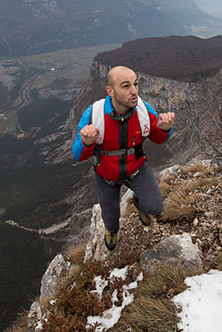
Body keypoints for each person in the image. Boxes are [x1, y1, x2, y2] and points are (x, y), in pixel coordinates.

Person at [72, 65, 175, 250]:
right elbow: (78, 154)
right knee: (111, 218)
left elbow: (156, 137)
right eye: (126, 86)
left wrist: (165, 129)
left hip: (136, 168)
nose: (134, 91)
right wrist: (86, 142)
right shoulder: (94, 114)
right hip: (106, 176)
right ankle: (111, 231)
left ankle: (139, 203)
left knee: (155, 207)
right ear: (110, 91)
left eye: (136, 84)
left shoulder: (143, 110)